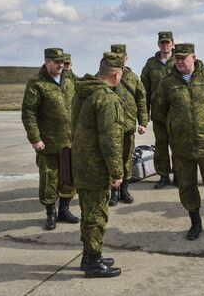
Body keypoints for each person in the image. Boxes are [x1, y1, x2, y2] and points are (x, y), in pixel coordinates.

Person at [152, 43, 204, 242]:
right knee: (187, 187)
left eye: (184, 58)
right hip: (182, 147)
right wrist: (177, 126)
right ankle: (195, 224)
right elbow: (160, 111)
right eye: (177, 58)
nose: (179, 61)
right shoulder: (168, 83)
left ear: (194, 58)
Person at [71, 52, 125, 278]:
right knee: (96, 215)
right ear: (116, 73)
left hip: (81, 162)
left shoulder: (83, 92)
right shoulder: (106, 98)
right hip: (96, 166)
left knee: (88, 211)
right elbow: (109, 140)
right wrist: (116, 171)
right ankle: (93, 263)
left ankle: (88, 255)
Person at [21, 47, 79, 231]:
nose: (61, 65)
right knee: (49, 179)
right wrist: (35, 138)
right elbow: (28, 113)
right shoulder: (36, 84)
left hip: (70, 141)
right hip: (49, 143)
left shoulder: (69, 79)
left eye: (62, 61)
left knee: (68, 178)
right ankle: (50, 214)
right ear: (47, 62)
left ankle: (64, 210)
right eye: (57, 62)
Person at [107, 44, 148, 205]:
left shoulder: (132, 77)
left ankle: (124, 189)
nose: (119, 60)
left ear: (125, 58)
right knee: (112, 158)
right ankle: (113, 192)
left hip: (128, 125)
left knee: (126, 158)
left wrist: (143, 122)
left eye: (121, 57)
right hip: (109, 126)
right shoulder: (105, 75)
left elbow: (141, 99)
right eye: (115, 56)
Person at [140, 31, 178, 189]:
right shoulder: (151, 64)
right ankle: (163, 176)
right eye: (162, 42)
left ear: (173, 43)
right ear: (158, 44)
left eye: (167, 42)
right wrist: (145, 112)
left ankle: (179, 175)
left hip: (177, 112)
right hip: (158, 112)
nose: (165, 45)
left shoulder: (179, 60)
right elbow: (144, 90)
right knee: (161, 145)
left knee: (178, 144)